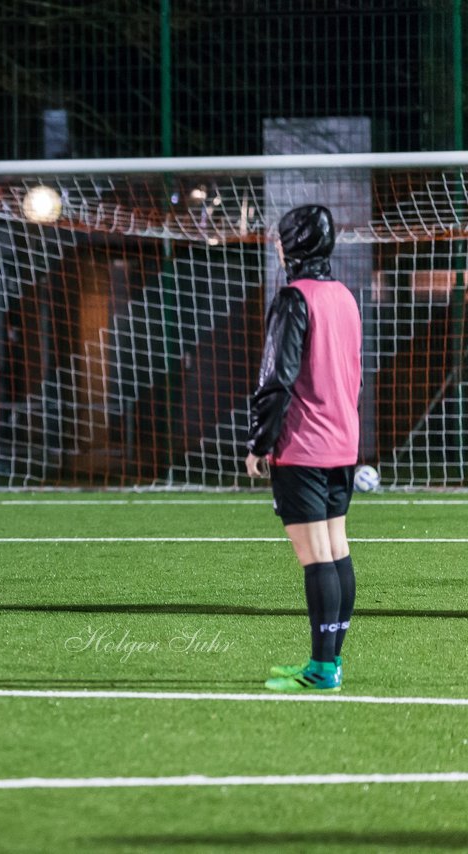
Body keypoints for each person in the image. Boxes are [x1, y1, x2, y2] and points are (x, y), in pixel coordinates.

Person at [245, 204, 361, 692]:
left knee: (316, 557)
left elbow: (279, 377)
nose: (276, 245)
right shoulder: (344, 296)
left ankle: (321, 669)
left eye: (279, 238)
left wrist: (259, 441)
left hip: (305, 445)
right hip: (342, 442)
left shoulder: (294, 298)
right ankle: (331, 662)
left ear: (292, 245)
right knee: (335, 550)